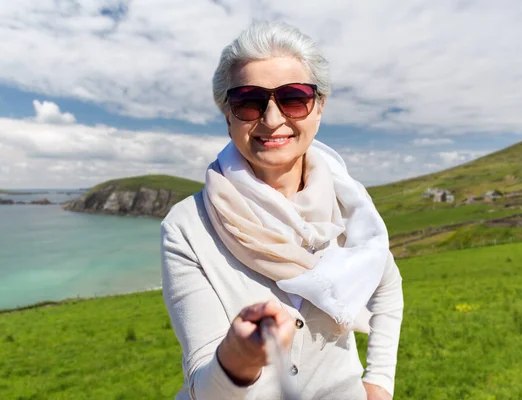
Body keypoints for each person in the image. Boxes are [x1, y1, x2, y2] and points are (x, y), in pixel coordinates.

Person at [161, 21, 403, 400]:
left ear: (318, 108)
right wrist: (237, 359)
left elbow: (387, 284)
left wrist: (379, 384)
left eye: (294, 98)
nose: (272, 119)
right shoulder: (187, 226)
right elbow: (203, 389)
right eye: (248, 101)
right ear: (228, 116)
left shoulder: (351, 207)